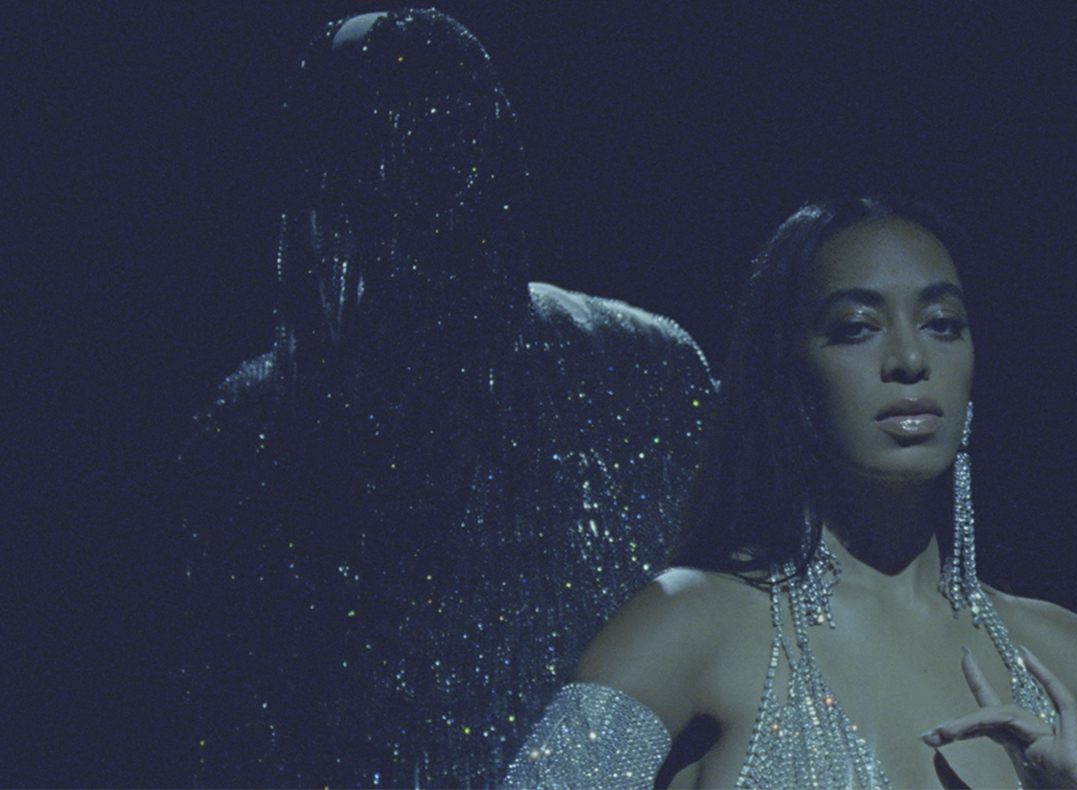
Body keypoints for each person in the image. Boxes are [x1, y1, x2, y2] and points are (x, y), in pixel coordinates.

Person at [505, 197, 1077, 789]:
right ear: (790, 378)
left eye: (942, 324)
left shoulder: (1062, 656)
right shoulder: (693, 621)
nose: (909, 359)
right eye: (856, 327)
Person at [174, 9, 713, 787]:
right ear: (324, 192)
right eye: (387, 169)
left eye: (454, 158)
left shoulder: (642, 372)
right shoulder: (246, 440)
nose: (432, 208)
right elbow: (231, 733)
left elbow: (744, 636)